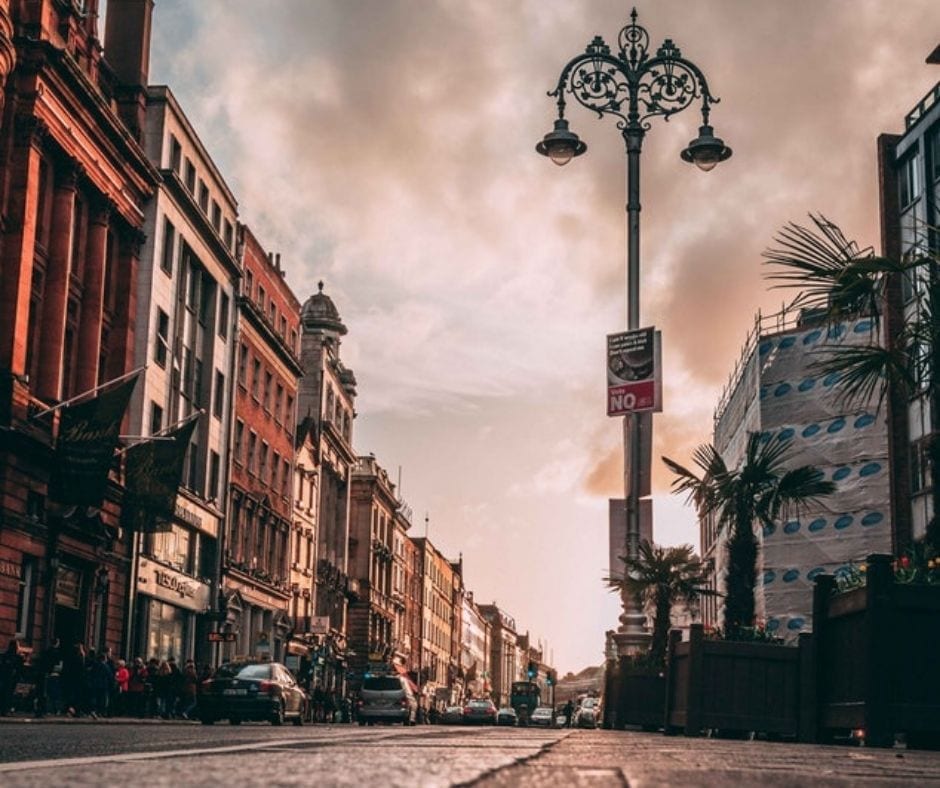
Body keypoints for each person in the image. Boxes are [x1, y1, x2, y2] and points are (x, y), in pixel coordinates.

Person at [0, 639, 24, 716]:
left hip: (5, 678)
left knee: (4, 694)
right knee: (9, 694)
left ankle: (4, 710)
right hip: (11, 678)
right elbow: (20, 668)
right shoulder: (16, 657)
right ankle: (6, 710)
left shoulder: (6, 655)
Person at [87, 652, 113, 719]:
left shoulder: (95, 665)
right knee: (102, 699)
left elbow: (90, 674)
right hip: (103, 685)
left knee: (94, 698)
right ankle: (100, 712)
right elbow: (110, 676)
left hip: (95, 684)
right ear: (104, 659)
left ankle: (93, 711)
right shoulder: (106, 666)